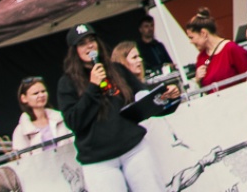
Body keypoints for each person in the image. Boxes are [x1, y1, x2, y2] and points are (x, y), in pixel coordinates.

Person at [65, 38, 177, 192]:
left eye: (92, 40)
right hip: (99, 161)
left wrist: (167, 98)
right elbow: (74, 121)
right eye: (82, 43)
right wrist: (92, 87)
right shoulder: (67, 83)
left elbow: (143, 98)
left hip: (133, 149)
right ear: (74, 50)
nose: (89, 45)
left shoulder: (117, 70)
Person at [183, 10, 247, 88]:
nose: (191, 42)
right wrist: (198, 80)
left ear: (203, 33)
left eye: (192, 37)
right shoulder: (201, 58)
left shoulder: (231, 49)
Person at [8, 80, 69, 155]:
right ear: (24, 98)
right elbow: (24, 158)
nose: (41, 95)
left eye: (43, 91)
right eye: (35, 93)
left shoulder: (61, 118)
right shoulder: (21, 130)